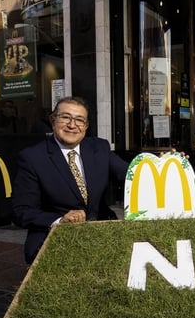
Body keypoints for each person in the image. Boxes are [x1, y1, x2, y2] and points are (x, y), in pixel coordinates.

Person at [11, 96, 128, 263]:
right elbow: (21, 211)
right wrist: (60, 221)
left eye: (79, 120)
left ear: (86, 126)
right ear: (53, 120)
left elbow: (132, 173)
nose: (72, 125)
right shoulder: (32, 158)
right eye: (65, 117)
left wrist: (163, 163)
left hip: (100, 233)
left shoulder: (99, 148)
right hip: (55, 237)